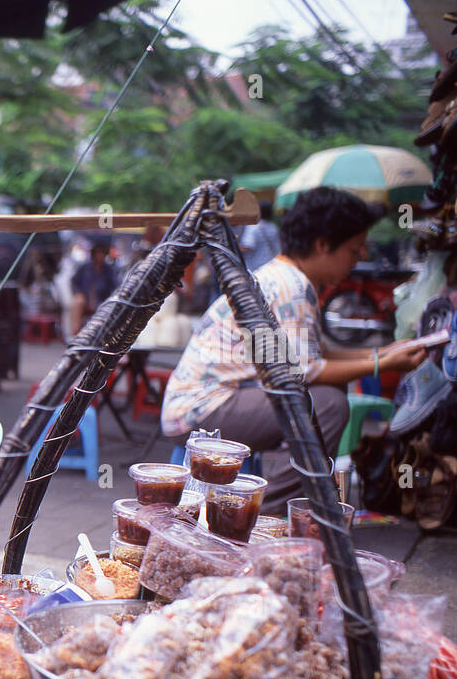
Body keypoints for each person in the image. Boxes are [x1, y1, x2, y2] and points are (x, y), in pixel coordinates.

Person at [162, 186, 427, 512]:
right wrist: (383, 364)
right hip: (200, 410)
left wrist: (387, 353)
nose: (357, 261)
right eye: (354, 251)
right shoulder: (291, 286)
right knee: (329, 404)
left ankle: (273, 504)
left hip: (202, 404)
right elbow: (306, 370)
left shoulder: (286, 277)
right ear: (322, 245)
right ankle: (259, 511)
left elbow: (317, 356)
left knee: (327, 394)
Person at [66, 236, 118, 337]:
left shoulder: (109, 270)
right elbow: (74, 282)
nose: (100, 255)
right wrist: (79, 293)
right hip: (86, 299)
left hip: (102, 300)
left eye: (102, 253)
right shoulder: (85, 267)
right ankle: (75, 333)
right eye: (98, 252)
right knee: (77, 302)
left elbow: (114, 287)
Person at [239, 200, 281, 272]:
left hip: (256, 269)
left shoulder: (253, 227)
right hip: (271, 267)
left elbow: (247, 247)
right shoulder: (273, 227)